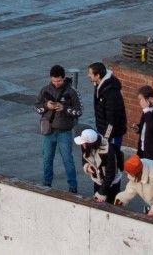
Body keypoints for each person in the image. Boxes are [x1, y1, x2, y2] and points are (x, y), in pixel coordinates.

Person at [35, 64, 82, 194]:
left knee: (68, 160)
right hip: (49, 131)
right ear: (51, 78)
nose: (56, 83)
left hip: (64, 132)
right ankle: (47, 182)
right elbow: (37, 107)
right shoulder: (45, 90)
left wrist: (65, 109)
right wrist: (46, 106)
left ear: (64, 78)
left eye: (59, 80)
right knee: (47, 159)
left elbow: (79, 112)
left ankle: (73, 187)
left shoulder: (71, 92)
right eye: (54, 80)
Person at [115, 154, 153, 219]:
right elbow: (131, 189)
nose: (130, 176)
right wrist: (120, 200)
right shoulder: (136, 169)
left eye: (131, 175)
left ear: (138, 173)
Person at [76, 129, 126, 206]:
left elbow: (110, 175)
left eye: (83, 143)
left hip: (112, 182)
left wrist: (101, 193)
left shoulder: (108, 152)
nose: (81, 145)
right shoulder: (86, 146)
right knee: (98, 204)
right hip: (98, 180)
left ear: (90, 144)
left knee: (112, 205)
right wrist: (87, 166)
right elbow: (85, 157)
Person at [88, 62, 128, 149]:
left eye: (90, 73)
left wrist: (106, 137)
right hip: (103, 130)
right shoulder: (99, 86)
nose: (88, 75)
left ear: (97, 76)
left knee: (112, 156)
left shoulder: (111, 93)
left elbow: (112, 118)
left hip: (112, 134)